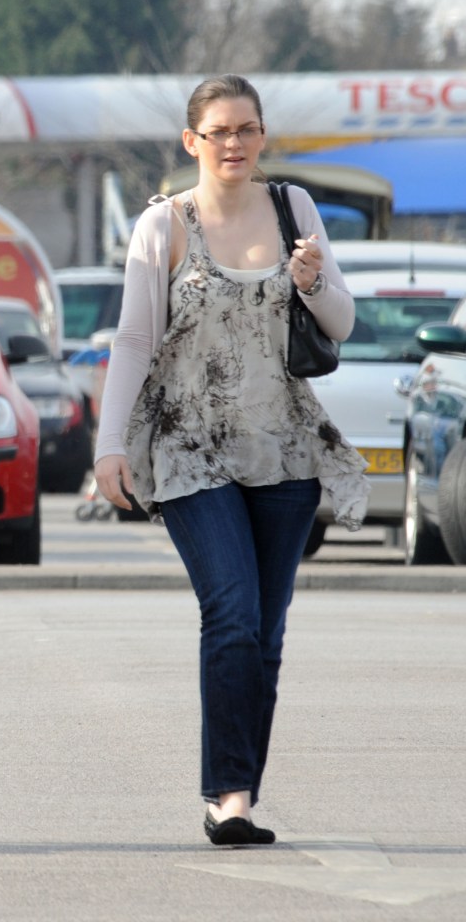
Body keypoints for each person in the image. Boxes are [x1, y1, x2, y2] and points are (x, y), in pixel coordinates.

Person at [94, 74, 369, 846]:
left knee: (267, 633)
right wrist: (109, 445)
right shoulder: (164, 226)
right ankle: (227, 800)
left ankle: (240, 786)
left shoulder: (294, 210)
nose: (235, 143)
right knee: (232, 614)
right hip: (188, 450)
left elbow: (340, 323)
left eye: (247, 128)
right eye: (219, 131)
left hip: (281, 445)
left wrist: (312, 284)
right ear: (192, 143)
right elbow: (133, 342)